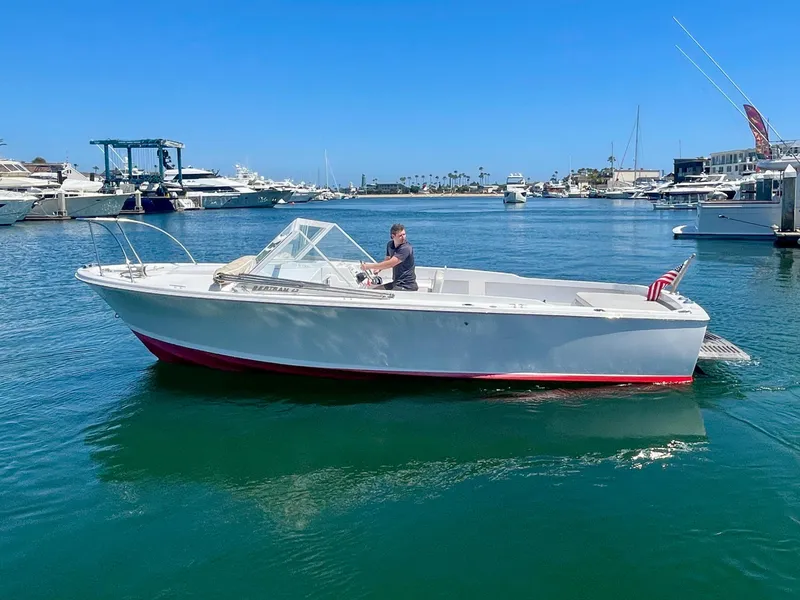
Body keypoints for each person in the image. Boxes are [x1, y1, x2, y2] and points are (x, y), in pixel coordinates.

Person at [360, 223, 418, 291]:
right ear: (393, 236)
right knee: (374, 291)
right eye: (400, 235)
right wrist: (379, 269)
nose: (403, 237)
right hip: (396, 283)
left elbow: (391, 264)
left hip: (407, 285)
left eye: (404, 234)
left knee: (377, 294)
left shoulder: (406, 248)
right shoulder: (390, 245)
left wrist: (368, 266)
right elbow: (387, 260)